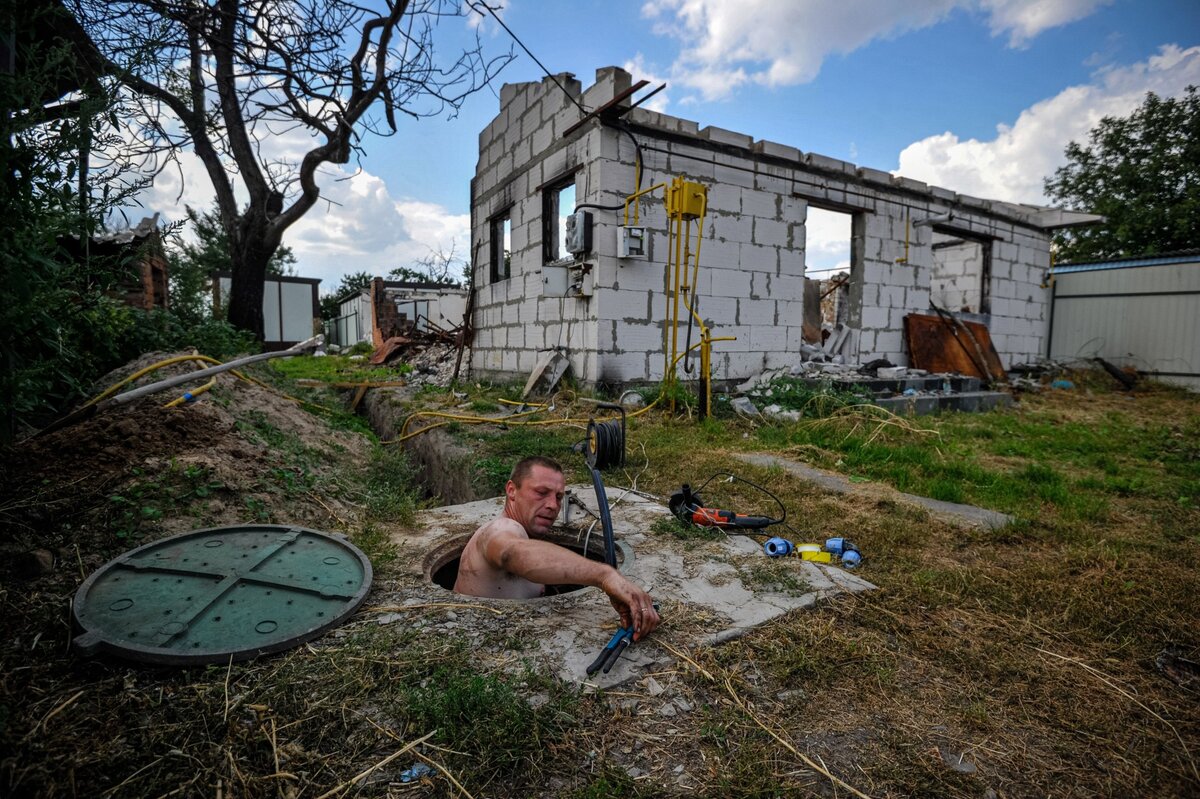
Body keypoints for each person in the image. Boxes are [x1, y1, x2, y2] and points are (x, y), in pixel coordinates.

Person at [454, 455, 661, 640]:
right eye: (541, 492)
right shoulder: (501, 528)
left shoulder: (526, 533)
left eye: (558, 497)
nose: (553, 505)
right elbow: (512, 552)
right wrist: (606, 575)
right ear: (511, 491)